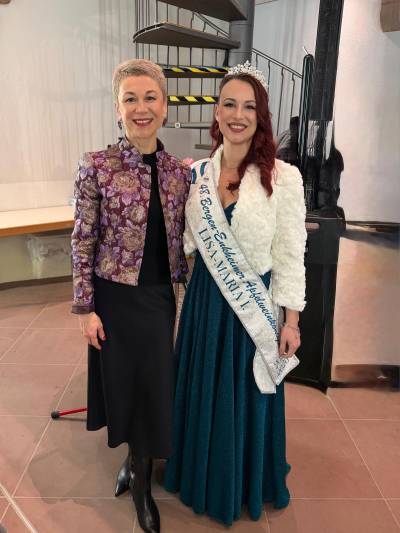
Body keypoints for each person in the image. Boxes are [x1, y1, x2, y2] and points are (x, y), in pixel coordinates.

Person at [164, 62, 307, 526]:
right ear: (217, 112)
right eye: (229, 104)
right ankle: (200, 473)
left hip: (252, 307)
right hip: (207, 301)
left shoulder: (283, 178)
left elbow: (290, 253)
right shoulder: (198, 174)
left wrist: (291, 321)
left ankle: (241, 480)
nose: (238, 115)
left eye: (249, 107)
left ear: (261, 116)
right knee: (205, 388)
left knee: (245, 393)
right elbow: (186, 242)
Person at [71, 59, 191, 533]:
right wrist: (86, 308)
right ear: (117, 108)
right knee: (124, 384)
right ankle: (138, 473)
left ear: (165, 106)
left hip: (160, 299)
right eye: (130, 99)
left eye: (150, 98)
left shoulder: (178, 172)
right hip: (114, 300)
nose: (141, 108)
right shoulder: (97, 165)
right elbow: (82, 239)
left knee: (152, 386)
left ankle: (139, 473)